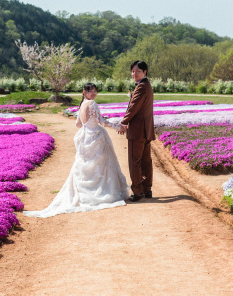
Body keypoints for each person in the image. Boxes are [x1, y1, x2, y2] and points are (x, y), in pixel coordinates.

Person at [23, 83, 129, 218]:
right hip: (95, 135)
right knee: (101, 164)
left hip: (85, 135)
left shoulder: (82, 104)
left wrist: (87, 126)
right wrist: (117, 127)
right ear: (84, 92)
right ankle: (100, 192)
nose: (94, 94)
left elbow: (78, 124)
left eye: (95, 91)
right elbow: (101, 121)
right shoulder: (91, 103)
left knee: (87, 165)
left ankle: (85, 193)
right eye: (91, 91)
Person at [117, 60, 155, 202]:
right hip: (146, 130)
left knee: (135, 161)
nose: (134, 73)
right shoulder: (147, 85)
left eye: (138, 71)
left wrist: (124, 122)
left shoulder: (141, 87)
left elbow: (133, 107)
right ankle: (147, 189)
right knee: (146, 161)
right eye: (133, 71)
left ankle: (138, 191)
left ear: (145, 72)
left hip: (138, 130)